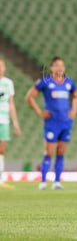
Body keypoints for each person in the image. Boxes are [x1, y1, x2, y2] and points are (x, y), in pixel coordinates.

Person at [25, 56, 77, 190]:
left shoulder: (69, 83)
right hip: (52, 122)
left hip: (66, 122)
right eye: (56, 65)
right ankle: (43, 181)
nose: (60, 68)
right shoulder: (45, 82)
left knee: (61, 151)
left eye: (62, 65)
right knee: (49, 152)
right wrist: (40, 112)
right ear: (51, 67)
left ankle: (56, 182)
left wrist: (74, 111)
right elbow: (29, 97)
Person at [0, 59, 21, 189]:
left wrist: (15, 123)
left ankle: (0, 179)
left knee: (1, 149)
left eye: (1, 65)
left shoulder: (8, 83)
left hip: (4, 119)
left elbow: (11, 104)